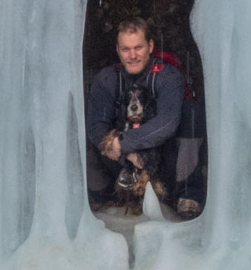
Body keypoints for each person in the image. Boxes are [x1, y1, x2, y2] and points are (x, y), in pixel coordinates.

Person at [84, 18, 198, 214]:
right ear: (117, 50)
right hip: (121, 163)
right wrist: (125, 152)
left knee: (191, 114)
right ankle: (101, 195)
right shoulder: (107, 79)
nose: (133, 55)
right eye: (126, 49)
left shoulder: (167, 76)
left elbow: (168, 122)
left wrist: (127, 143)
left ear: (150, 46)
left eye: (138, 47)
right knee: (87, 131)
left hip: (162, 161)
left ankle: (188, 194)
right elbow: (96, 127)